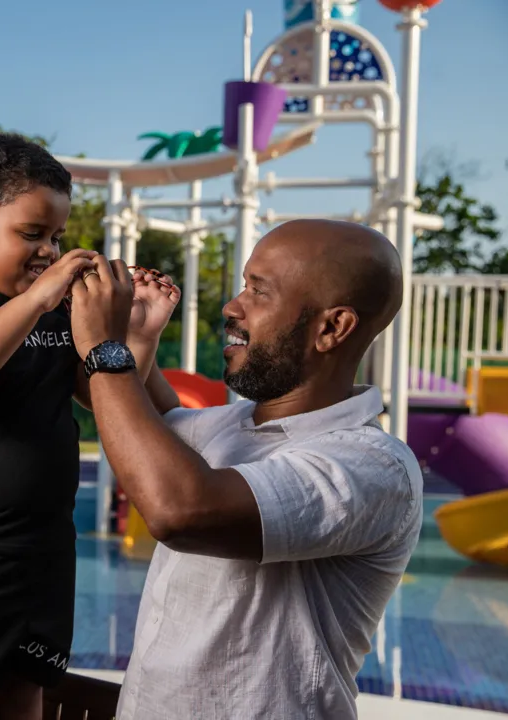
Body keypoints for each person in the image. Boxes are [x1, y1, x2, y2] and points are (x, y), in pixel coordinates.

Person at [67, 220, 423, 719]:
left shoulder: (374, 468)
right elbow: (141, 425)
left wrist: (106, 349)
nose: (232, 307)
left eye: (259, 291)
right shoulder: (228, 424)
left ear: (332, 328)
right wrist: (138, 339)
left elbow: (179, 510)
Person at [0, 134, 158, 720]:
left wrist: (137, 334)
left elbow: (102, 394)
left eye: (58, 237)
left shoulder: (60, 313)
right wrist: (41, 297)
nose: (50, 250)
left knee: (26, 697)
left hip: (47, 553)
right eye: (33, 233)